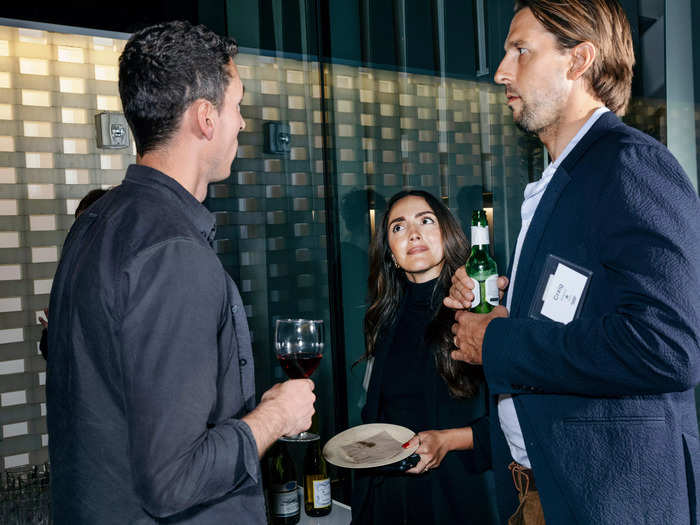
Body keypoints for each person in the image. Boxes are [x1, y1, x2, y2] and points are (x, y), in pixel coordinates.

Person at [47, 21, 316, 524]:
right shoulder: (174, 253)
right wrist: (276, 416)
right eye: (237, 106)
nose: (242, 123)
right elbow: (173, 479)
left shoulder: (94, 227)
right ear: (206, 118)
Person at [446, 1, 700, 524]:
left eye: (520, 50)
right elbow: (579, 312)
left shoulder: (630, 164)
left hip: (609, 501)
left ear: (578, 60)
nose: (501, 71)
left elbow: (668, 346)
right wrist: (500, 299)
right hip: (545, 491)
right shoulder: (562, 179)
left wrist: (497, 340)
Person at [351, 190, 504, 524]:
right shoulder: (385, 318)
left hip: (459, 496)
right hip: (390, 499)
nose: (414, 233)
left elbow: (515, 424)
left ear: (446, 235)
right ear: (389, 253)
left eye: (426, 221)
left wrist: (447, 440)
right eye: (398, 227)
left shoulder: (477, 309)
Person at [38, 188, 109, 360]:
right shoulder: (74, 275)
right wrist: (54, 333)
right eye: (78, 228)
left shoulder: (124, 276)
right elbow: (54, 355)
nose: (81, 237)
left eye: (89, 228)